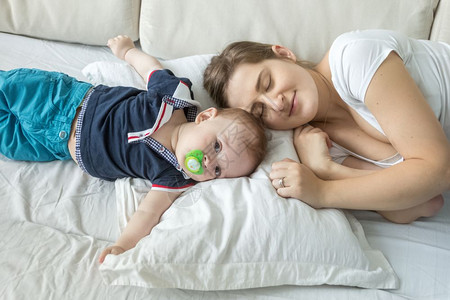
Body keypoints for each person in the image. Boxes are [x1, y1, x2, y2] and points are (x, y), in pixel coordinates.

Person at [0, 35, 267, 262]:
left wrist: (123, 245)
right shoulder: (174, 98)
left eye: (218, 170)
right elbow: (151, 70)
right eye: (216, 145)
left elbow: (148, 212)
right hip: (63, 103)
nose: (208, 162)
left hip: (56, 147)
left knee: (8, 143)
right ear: (205, 117)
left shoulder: (176, 177)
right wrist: (128, 51)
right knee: (9, 88)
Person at [203, 29, 450, 224]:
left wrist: (322, 191)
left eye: (268, 82)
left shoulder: (353, 57)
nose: (275, 104)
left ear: (284, 53)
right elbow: (423, 203)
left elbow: (439, 171)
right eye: (259, 111)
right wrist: (326, 168)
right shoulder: (318, 144)